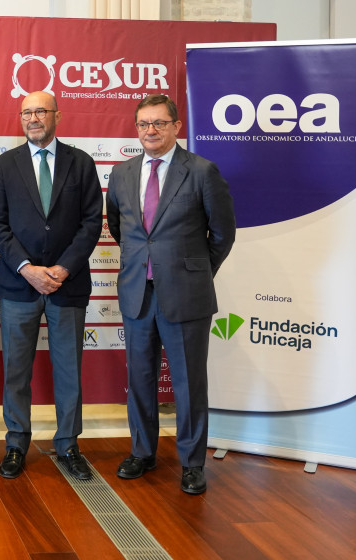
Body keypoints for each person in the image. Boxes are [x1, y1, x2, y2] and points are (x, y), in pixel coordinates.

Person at [106, 94, 235, 495]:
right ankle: (142, 452)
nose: (151, 131)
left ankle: (192, 463)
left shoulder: (201, 171)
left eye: (159, 123)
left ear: (177, 126)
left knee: (188, 383)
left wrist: (196, 273)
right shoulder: (122, 173)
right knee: (140, 379)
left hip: (186, 295)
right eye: (144, 123)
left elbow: (223, 233)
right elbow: (119, 228)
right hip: (137, 294)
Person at [0, 91, 103, 480]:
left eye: (40, 111)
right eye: (26, 112)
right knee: (16, 370)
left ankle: (68, 445)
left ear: (57, 115)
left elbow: (91, 222)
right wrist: (27, 269)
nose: (33, 118)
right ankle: (16, 443)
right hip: (19, 284)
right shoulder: (5, 165)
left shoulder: (81, 162)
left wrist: (63, 268)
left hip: (67, 285)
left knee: (69, 370)